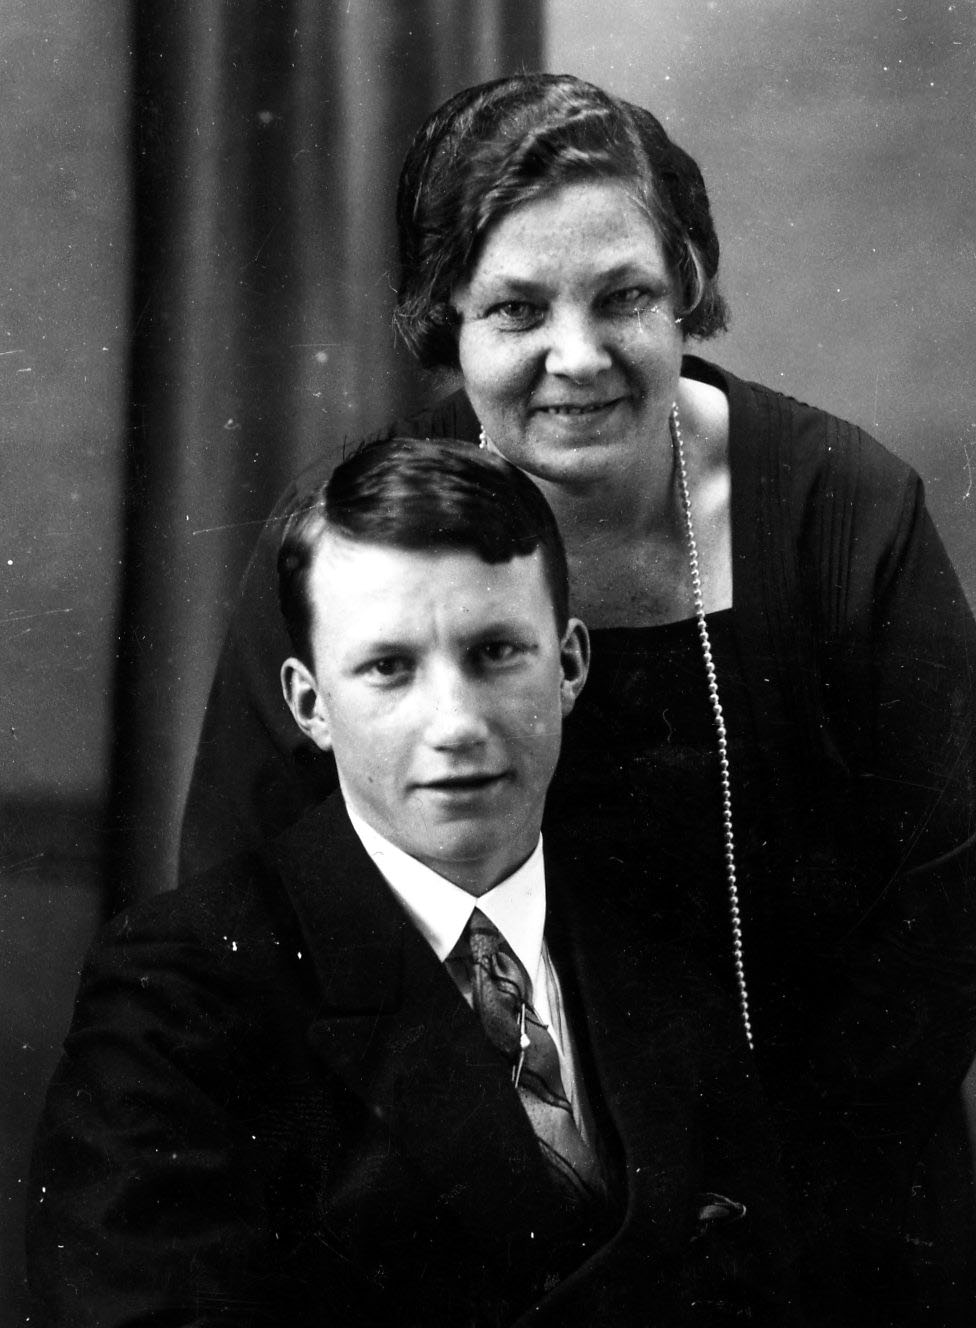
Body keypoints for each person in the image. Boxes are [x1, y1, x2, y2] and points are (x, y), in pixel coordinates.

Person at [179, 75, 976, 1318]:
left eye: (624, 297)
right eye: (515, 308)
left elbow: (949, 891)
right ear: (443, 319)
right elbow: (244, 897)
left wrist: (765, 1218)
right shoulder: (345, 545)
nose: (578, 356)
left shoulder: (839, 510)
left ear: (686, 290)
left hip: (832, 1201)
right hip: (465, 1221)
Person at [27, 440, 791, 1325]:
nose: (455, 724)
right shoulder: (181, 987)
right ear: (311, 704)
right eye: (389, 668)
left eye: (496, 651)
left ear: (570, 666)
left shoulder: (662, 943)